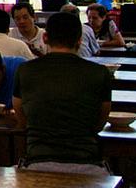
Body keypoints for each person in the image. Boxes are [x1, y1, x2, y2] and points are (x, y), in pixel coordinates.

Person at [13, 12, 113, 174]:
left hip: (37, 163)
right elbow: (100, 122)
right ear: (80, 41)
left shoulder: (25, 70)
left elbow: (21, 117)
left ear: (45, 38)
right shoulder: (100, 73)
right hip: (87, 163)